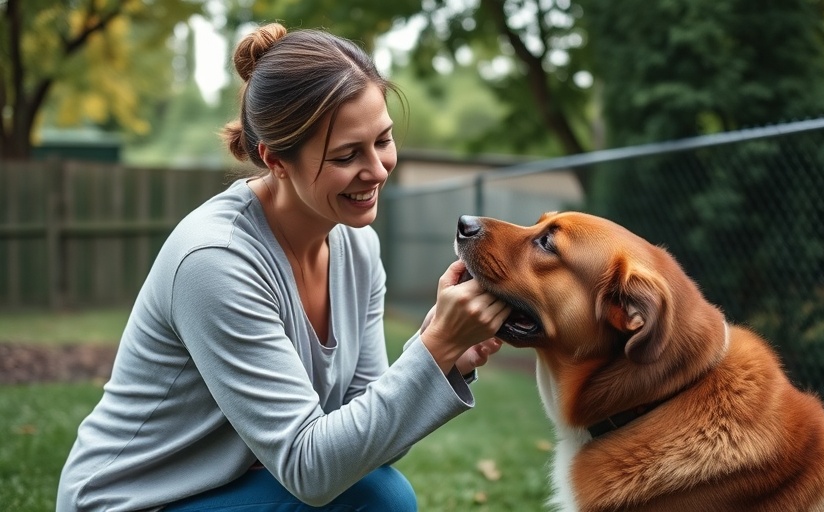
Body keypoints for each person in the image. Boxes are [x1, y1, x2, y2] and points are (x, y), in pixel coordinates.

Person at [56, 23, 510, 512]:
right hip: (136, 500)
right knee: (381, 500)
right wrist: (433, 346)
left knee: (377, 489)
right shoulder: (216, 261)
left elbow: (371, 450)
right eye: (346, 155)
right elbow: (312, 469)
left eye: (383, 140)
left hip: (227, 488)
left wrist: (446, 356)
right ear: (276, 161)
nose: (377, 169)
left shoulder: (358, 250)